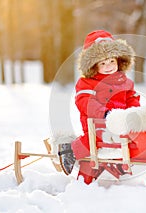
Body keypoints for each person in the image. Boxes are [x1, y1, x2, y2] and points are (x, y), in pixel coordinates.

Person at [58, 30, 140, 175]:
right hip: (96, 123)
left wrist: (133, 113)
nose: (109, 66)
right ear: (94, 65)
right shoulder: (87, 83)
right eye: (103, 63)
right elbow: (85, 101)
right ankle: (71, 150)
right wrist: (105, 113)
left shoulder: (125, 81)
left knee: (134, 138)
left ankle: (124, 162)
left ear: (119, 61)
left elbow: (132, 98)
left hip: (121, 124)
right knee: (94, 140)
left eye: (112, 61)